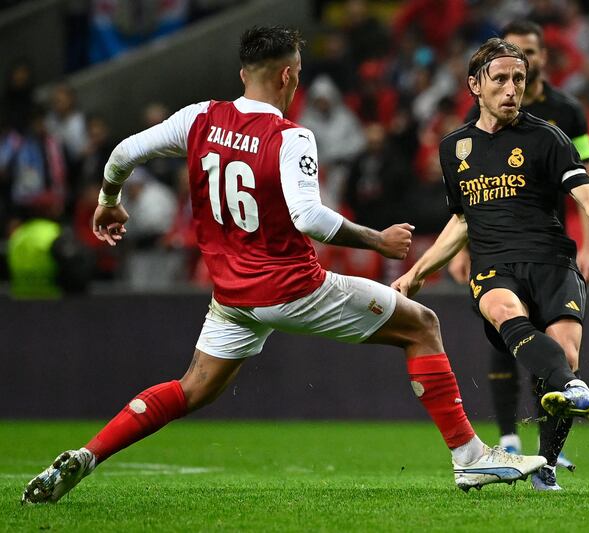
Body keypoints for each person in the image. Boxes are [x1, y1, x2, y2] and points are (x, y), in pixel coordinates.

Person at [21, 26, 546, 505]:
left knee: (191, 388)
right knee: (421, 325)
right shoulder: (290, 137)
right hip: (294, 289)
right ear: (290, 75)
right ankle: (471, 459)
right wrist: (376, 241)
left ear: (242, 73)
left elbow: (122, 152)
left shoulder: (199, 117)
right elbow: (309, 217)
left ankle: (85, 457)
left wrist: (109, 198)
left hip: (231, 299)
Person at [392, 37, 589, 492]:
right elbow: (462, 221)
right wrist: (417, 272)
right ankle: (569, 387)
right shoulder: (454, 149)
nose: (511, 89)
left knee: (567, 354)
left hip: (552, 261)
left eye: (518, 79)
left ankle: (545, 466)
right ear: (475, 86)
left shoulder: (547, 138)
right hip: (494, 264)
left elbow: (588, 195)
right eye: (499, 79)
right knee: (504, 311)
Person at [450, 21, 589, 469]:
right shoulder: (464, 135)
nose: (523, 67)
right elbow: (466, 204)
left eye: (530, 56)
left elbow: (587, 177)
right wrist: (457, 253)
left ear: (540, 59)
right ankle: (509, 438)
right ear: (478, 84)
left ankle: (546, 457)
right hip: (496, 246)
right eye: (506, 72)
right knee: (505, 330)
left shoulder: (565, 115)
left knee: (555, 345)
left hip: (547, 244)